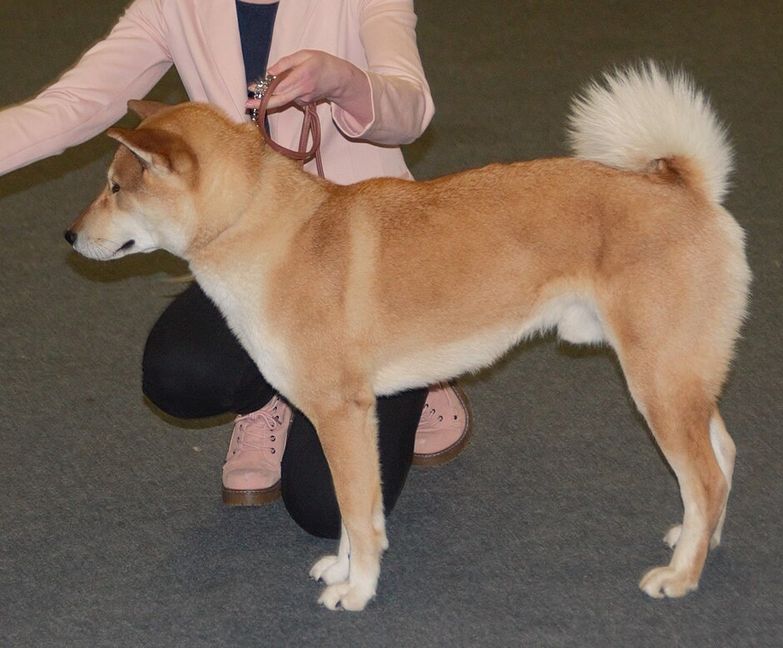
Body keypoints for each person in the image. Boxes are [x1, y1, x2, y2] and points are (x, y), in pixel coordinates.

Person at [0, 0, 470, 538]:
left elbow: (410, 110)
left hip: (368, 262)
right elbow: (74, 104)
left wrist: (342, 80)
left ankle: (425, 372)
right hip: (253, 248)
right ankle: (264, 395)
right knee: (179, 373)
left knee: (323, 510)